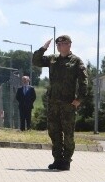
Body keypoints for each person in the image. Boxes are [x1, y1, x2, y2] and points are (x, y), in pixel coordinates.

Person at [32, 35, 88, 171]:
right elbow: (36, 61)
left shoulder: (76, 61)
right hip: (53, 103)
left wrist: (79, 99)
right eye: (58, 44)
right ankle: (57, 159)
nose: (59, 46)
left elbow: (84, 81)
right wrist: (43, 48)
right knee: (54, 132)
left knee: (68, 133)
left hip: (68, 103)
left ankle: (66, 160)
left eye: (62, 44)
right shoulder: (53, 59)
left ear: (69, 45)